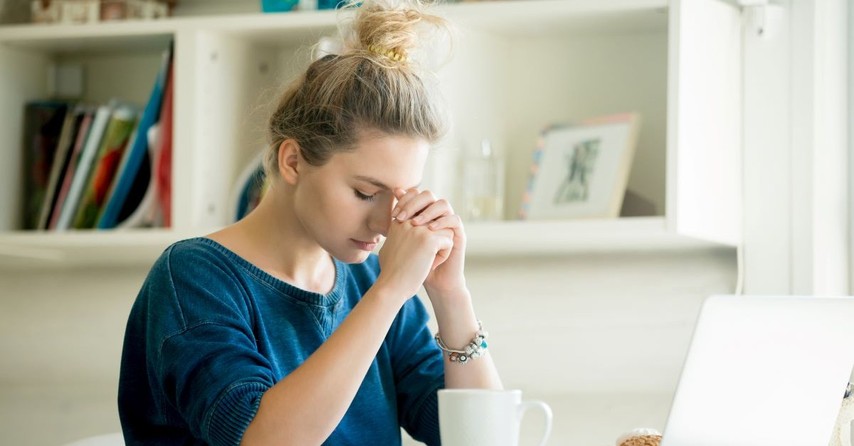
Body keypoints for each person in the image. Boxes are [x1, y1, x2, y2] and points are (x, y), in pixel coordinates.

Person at [117, 0, 503, 444]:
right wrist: (390, 291)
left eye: (397, 196)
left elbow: (480, 439)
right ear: (293, 161)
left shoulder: (369, 280)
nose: (384, 222)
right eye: (364, 192)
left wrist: (451, 296)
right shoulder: (193, 277)